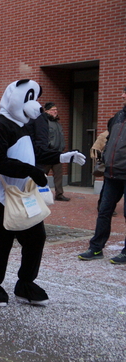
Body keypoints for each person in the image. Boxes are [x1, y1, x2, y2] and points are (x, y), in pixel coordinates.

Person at [0, 80, 85, 308]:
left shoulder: (23, 125)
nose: (35, 105)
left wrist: (62, 157)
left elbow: (35, 151)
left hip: (24, 195)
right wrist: (32, 172)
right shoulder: (0, 125)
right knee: (1, 244)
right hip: (3, 198)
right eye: (29, 98)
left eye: (35, 99)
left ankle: (25, 284)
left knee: (36, 238)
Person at [77, 87, 126, 264]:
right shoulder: (118, 117)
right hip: (112, 174)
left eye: (125, 92)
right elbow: (110, 140)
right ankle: (96, 248)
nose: (122, 95)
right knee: (104, 211)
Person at [41, 103, 69, 201]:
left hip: (58, 153)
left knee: (58, 175)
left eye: (56, 109)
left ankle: (59, 194)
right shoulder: (45, 122)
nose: (55, 111)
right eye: (53, 109)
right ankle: (38, 192)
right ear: (47, 111)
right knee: (43, 174)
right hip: (48, 153)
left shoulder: (58, 123)